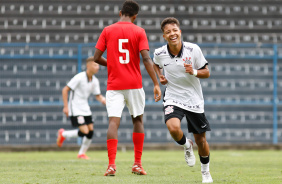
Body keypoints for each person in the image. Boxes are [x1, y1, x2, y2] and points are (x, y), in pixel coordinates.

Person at [93, 0, 161, 176]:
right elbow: (146, 59)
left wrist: (112, 64)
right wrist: (155, 83)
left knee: (113, 122)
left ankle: (111, 165)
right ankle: (137, 164)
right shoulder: (139, 31)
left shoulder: (107, 30)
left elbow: (95, 57)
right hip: (134, 84)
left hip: (114, 84)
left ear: (119, 12)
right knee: (137, 121)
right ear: (135, 16)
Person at [153, 17, 213, 183]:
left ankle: (205, 172)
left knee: (201, 140)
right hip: (173, 96)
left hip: (193, 98)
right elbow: (155, 64)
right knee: (173, 128)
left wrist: (193, 71)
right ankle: (186, 145)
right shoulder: (159, 53)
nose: (172, 34)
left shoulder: (193, 50)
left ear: (180, 32)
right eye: (168, 32)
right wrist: (159, 78)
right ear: (164, 36)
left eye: (174, 30)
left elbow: (207, 72)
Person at [56, 56, 106, 159]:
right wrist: (66, 107)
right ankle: (63, 134)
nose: (97, 67)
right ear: (88, 66)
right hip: (75, 107)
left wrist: (104, 101)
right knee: (85, 131)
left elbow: (97, 95)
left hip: (85, 108)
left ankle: (81, 153)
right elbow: (65, 90)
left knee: (90, 132)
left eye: (98, 65)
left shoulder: (95, 81)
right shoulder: (79, 77)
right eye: (95, 65)